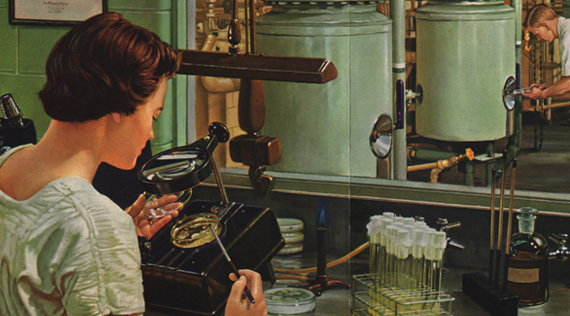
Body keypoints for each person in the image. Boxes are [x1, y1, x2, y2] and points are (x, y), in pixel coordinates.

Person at [0, 12, 267, 316]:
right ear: (118, 107)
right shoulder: (95, 227)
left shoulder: (7, 163)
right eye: (154, 114)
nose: (152, 132)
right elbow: (84, 229)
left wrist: (119, 234)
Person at [523, 4, 570, 100]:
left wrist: (543, 94)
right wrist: (551, 88)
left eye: (538, 34)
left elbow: (568, 84)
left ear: (546, 25)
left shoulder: (567, 37)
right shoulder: (566, 29)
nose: (539, 39)